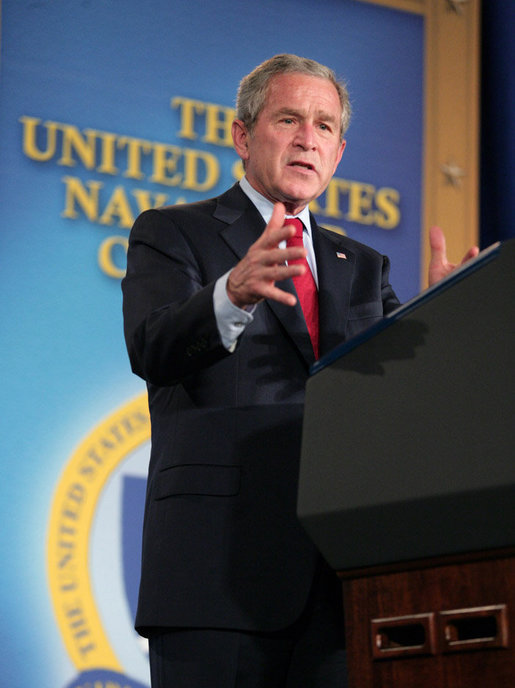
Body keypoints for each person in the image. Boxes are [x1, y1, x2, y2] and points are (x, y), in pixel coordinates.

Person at [122, 54, 478, 688]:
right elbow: (151, 347)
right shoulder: (175, 233)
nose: (307, 138)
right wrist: (232, 293)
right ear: (242, 134)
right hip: (216, 576)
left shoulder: (363, 266)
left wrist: (445, 323)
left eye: (324, 126)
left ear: (339, 153)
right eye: (288, 119)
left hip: (339, 580)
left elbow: (403, 397)